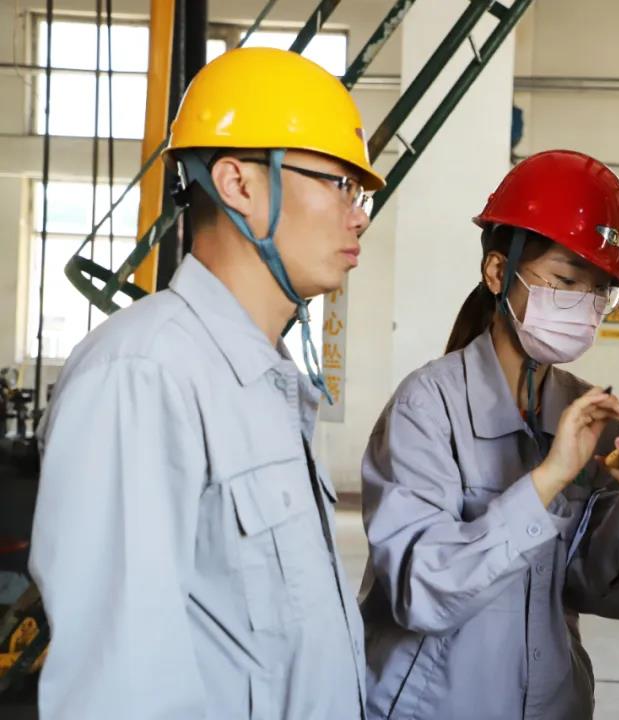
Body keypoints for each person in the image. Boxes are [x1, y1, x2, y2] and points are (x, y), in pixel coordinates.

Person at [29, 47, 383, 718]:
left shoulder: (265, 381)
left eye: (358, 192)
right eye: (339, 183)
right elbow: (120, 691)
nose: (358, 214)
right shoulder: (143, 375)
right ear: (238, 183)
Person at [360, 150, 619, 720]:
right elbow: (421, 594)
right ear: (499, 273)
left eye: (600, 290)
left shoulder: (586, 414)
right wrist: (547, 480)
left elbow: (610, 596)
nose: (583, 305)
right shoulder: (428, 407)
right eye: (566, 281)